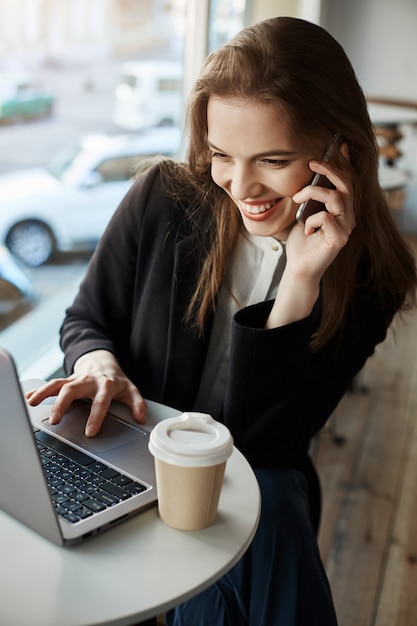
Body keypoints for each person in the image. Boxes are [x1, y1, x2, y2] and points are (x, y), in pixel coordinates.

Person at [27, 16, 417, 626]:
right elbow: (87, 319)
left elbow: (266, 445)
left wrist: (299, 284)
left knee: (265, 500)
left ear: (338, 151)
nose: (242, 185)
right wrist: (99, 364)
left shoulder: (370, 281)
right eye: (222, 155)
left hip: (243, 486)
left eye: (274, 159)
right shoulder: (162, 197)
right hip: (133, 459)